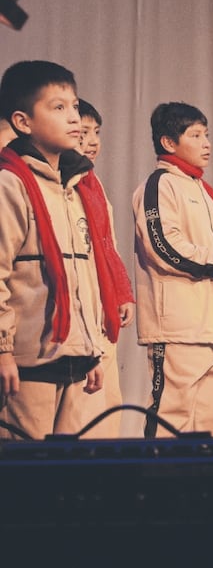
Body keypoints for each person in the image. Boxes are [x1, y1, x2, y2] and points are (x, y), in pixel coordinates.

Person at [0, 60, 125, 440]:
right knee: (24, 467)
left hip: (75, 358)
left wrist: (91, 350)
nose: (73, 117)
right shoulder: (10, 183)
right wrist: (3, 350)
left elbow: (83, 274)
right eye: (58, 107)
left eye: (74, 105)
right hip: (28, 362)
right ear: (23, 121)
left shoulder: (75, 185)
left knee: (66, 469)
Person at [132, 102, 213, 439]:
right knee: (171, 415)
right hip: (178, 326)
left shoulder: (201, 189)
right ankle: (158, 474)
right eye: (195, 135)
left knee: (206, 422)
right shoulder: (160, 184)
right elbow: (163, 244)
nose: (206, 143)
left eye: (206, 135)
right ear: (169, 142)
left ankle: (198, 474)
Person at [74, 98, 136, 438]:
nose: (93, 141)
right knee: (85, 411)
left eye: (96, 132)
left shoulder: (92, 182)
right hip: (79, 313)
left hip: (101, 307)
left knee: (110, 401)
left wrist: (122, 292)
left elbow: (107, 245)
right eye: (83, 133)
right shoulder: (64, 185)